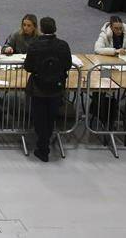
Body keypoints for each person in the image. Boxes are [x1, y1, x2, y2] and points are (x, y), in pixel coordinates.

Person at [24, 16, 72, 162]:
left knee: (39, 117)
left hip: (39, 87)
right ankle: (45, 143)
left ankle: (43, 146)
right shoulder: (63, 45)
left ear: (41, 29)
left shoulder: (34, 45)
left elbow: (28, 66)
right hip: (56, 87)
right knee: (50, 117)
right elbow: (68, 65)